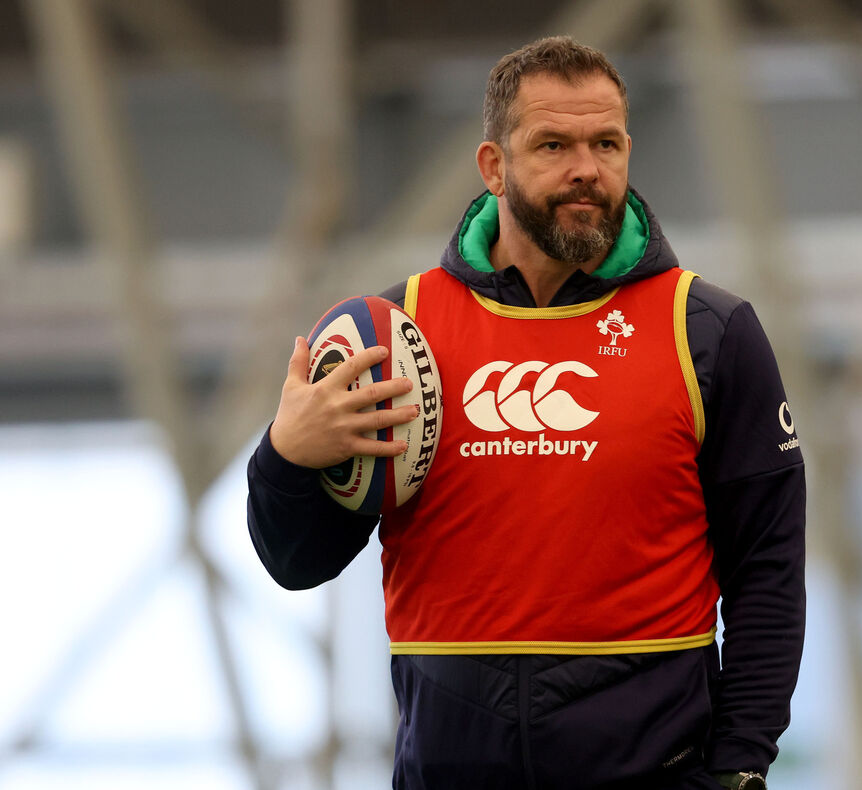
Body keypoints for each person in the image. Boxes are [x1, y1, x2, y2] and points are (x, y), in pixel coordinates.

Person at [248, 36, 805, 790]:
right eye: (553, 145)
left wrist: (740, 766)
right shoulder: (398, 336)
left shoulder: (706, 330)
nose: (587, 168)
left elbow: (768, 573)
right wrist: (286, 455)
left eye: (606, 143)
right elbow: (296, 562)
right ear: (493, 166)